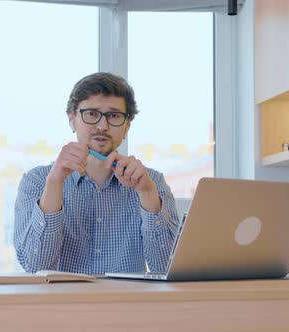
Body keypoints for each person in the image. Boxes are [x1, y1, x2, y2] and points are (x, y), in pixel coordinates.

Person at [14, 72, 180, 275]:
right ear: (72, 119)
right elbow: (35, 266)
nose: (103, 126)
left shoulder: (152, 183)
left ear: (127, 126)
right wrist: (55, 183)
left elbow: (167, 269)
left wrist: (147, 194)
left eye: (114, 116)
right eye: (91, 113)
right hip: (61, 305)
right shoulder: (38, 181)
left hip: (127, 306)